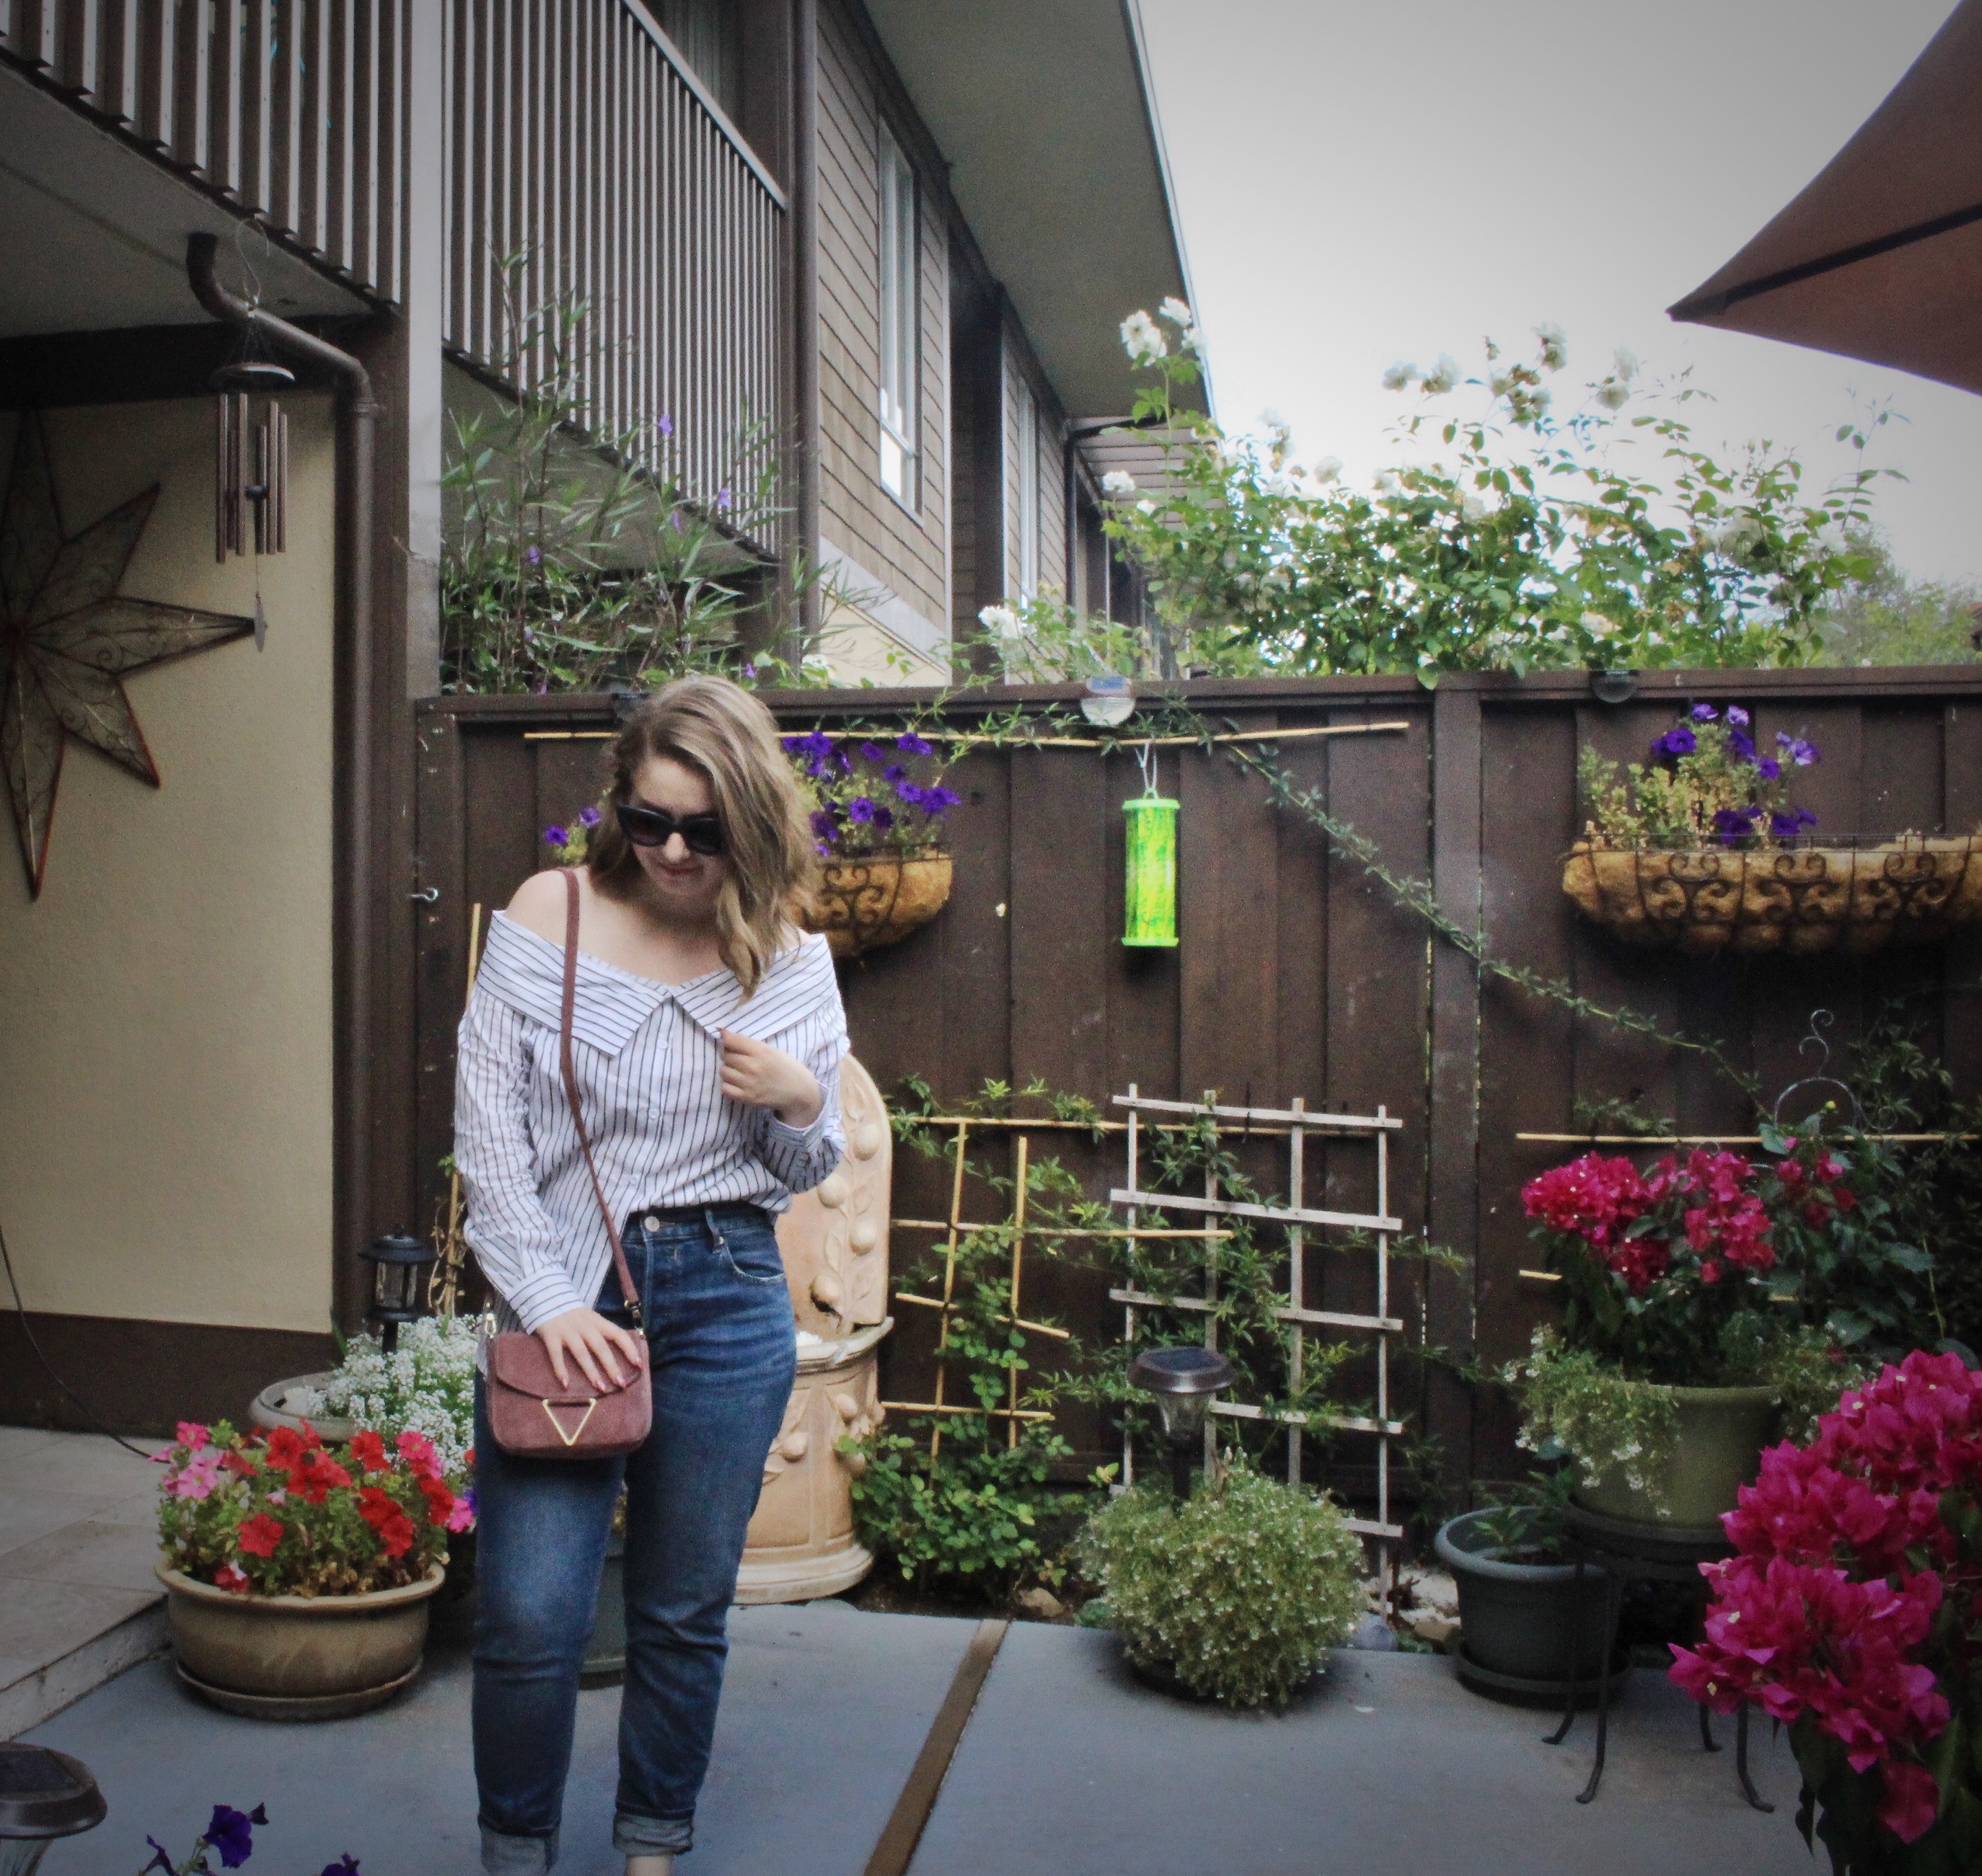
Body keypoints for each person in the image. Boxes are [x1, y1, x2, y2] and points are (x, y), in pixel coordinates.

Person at [455, 674, 846, 1875]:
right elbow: (489, 1128)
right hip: (570, 1293)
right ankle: (516, 1851)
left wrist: (802, 1099)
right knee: (530, 1616)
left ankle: (651, 1848)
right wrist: (552, 1296)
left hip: (727, 1296)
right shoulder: (551, 910)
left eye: (704, 829)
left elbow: (798, 1163)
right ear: (619, 805)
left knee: (682, 1612)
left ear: (752, 821)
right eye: (650, 820)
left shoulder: (784, 953)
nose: (673, 850)